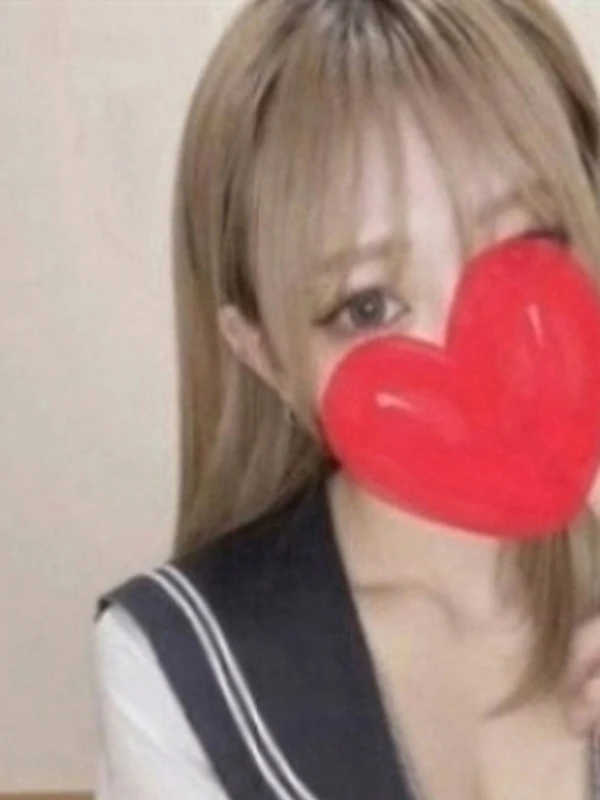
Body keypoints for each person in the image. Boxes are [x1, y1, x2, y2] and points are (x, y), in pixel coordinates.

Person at [93, 0, 600, 797]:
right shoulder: (175, 665)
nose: (467, 353)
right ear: (264, 355)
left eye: (525, 245)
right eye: (367, 306)